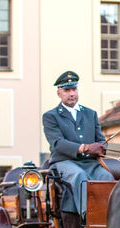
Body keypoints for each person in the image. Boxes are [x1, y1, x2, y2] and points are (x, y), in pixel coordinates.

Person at [42, 70, 114, 219]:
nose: (71, 94)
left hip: (90, 162)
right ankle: (88, 216)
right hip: (64, 163)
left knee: (106, 176)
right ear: (59, 93)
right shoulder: (51, 116)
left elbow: (100, 139)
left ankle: (110, 216)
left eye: (74, 89)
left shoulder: (90, 113)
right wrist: (84, 148)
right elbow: (57, 143)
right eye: (66, 90)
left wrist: (101, 147)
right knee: (79, 175)